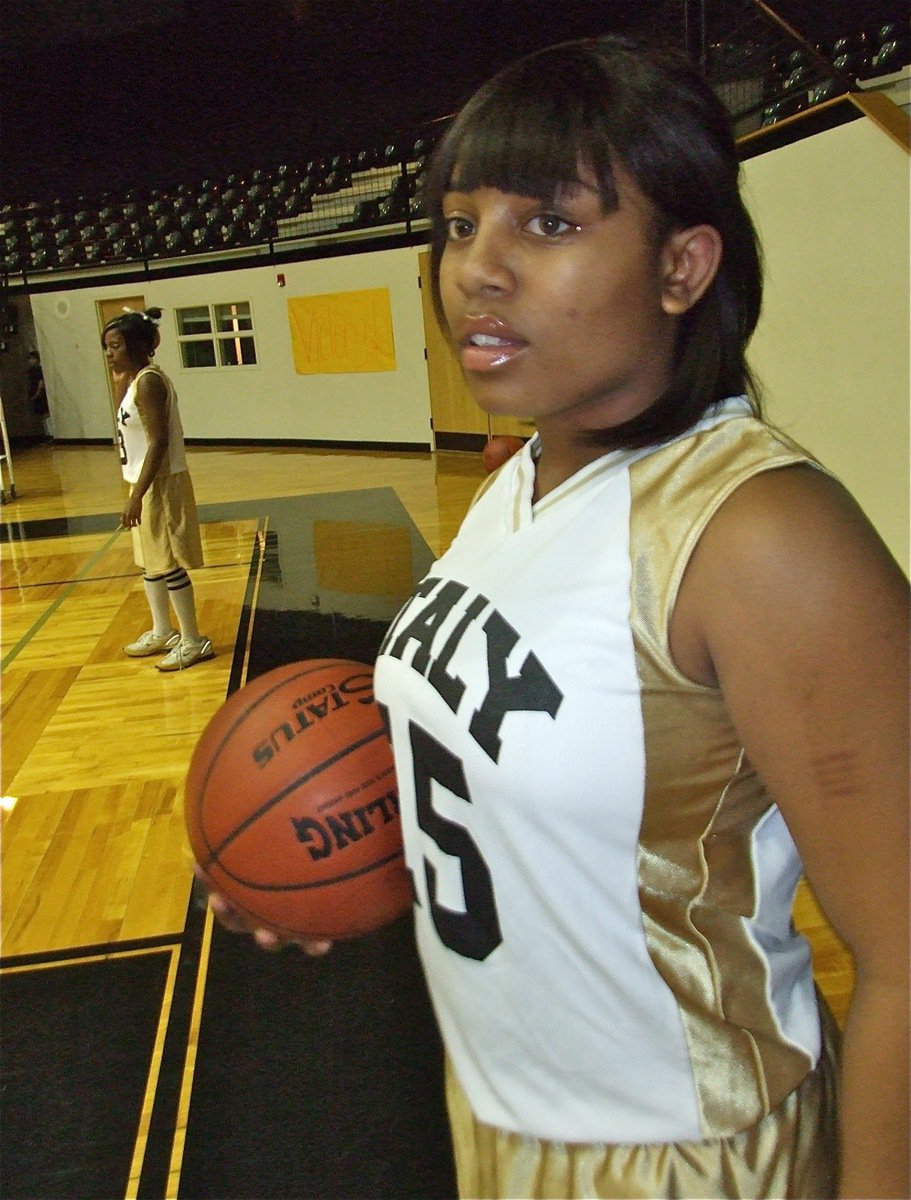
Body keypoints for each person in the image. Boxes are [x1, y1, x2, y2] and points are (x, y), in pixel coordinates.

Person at [198, 36, 909, 1199]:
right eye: (460, 222)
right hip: (493, 1116)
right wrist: (333, 854)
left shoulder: (760, 539)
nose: (476, 266)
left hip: (689, 1156)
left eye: (550, 224)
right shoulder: (519, 482)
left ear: (682, 266)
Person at [103, 307, 213, 671]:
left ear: (135, 346)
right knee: (150, 562)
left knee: (168, 563)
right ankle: (163, 630)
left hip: (161, 483)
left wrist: (137, 496)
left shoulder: (150, 382)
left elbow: (159, 441)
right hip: (143, 481)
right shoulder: (133, 381)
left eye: (115, 346)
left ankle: (194, 640)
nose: (109, 354)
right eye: (107, 347)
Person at [26, 349, 52, 442]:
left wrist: (37, 393)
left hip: (40, 395)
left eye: (31, 359)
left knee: (45, 414)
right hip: (36, 394)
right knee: (42, 415)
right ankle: (48, 434)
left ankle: (51, 434)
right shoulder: (31, 371)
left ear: (36, 359)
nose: (30, 361)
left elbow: (40, 383)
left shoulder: (39, 370)